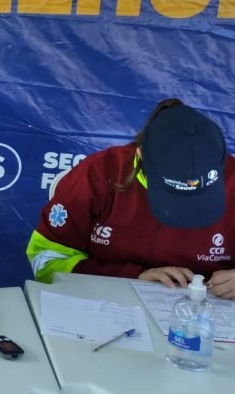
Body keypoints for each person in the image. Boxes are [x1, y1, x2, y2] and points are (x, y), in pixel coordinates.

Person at [27, 99, 235, 299]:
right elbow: (46, 258)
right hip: (103, 309)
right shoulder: (99, 174)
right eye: (171, 194)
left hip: (201, 320)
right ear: (141, 154)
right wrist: (131, 278)